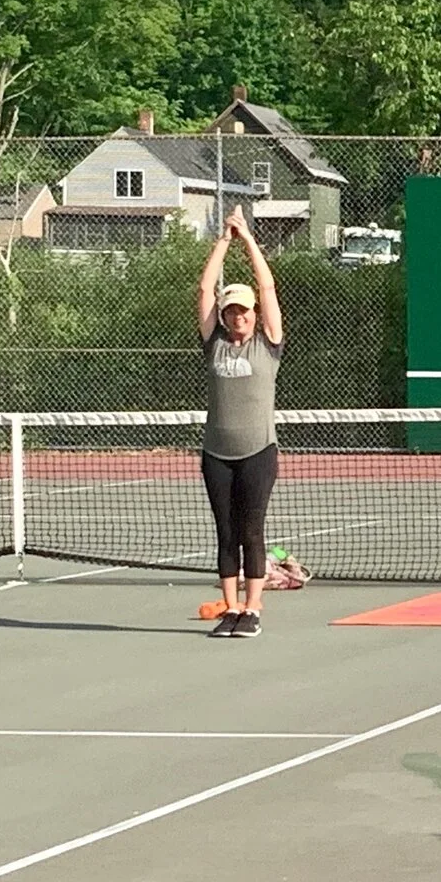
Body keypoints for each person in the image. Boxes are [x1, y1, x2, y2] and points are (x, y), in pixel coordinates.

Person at [196, 208, 284, 637]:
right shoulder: (214, 345)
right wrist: (222, 241)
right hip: (216, 454)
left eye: (244, 311)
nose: (238, 316)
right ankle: (230, 610)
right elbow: (203, 287)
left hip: (258, 453)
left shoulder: (267, 345)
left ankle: (253, 609)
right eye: (231, 311)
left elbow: (266, 286)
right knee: (225, 532)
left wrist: (246, 238)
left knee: (252, 529)